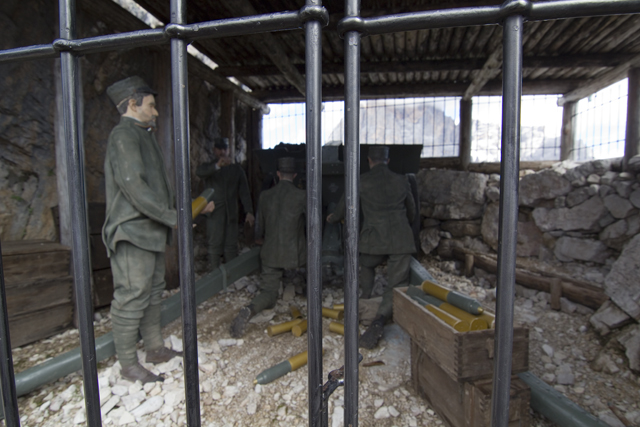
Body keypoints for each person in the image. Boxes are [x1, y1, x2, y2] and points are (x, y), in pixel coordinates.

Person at [102, 76, 214, 383]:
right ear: (133, 103)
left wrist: (185, 208)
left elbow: (158, 190)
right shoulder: (123, 136)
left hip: (147, 232)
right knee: (131, 296)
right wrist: (173, 216)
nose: (156, 112)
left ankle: (153, 349)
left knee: (151, 294)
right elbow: (134, 187)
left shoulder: (142, 135)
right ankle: (128, 365)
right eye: (151, 105)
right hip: (131, 231)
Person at [327, 146, 416, 349]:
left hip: (373, 240)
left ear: (368, 161)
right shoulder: (402, 181)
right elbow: (412, 212)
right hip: (400, 239)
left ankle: (365, 299)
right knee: (396, 284)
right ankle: (381, 317)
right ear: (388, 160)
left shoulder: (361, 182)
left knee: (366, 265)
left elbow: (343, 208)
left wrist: (333, 218)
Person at [230, 157, 306, 338]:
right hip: (298, 255)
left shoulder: (265, 196)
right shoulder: (303, 196)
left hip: (271, 254)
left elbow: (259, 229)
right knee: (311, 272)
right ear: (294, 175)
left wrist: (259, 240)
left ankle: (250, 309)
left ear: (278, 174)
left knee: (269, 293)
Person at [196, 137, 254, 269]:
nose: (222, 152)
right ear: (214, 150)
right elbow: (199, 172)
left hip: (231, 212)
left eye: (225, 149)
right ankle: (214, 275)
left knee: (231, 244)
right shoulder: (209, 168)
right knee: (214, 243)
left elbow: (244, 192)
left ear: (228, 150)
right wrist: (217, 166)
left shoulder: (236, 170)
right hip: (214, 212)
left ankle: (231, 274)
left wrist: (249, 211)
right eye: (219, 149)